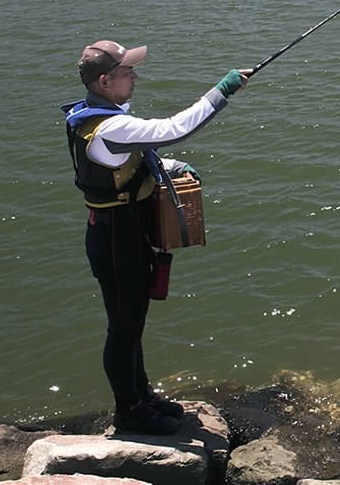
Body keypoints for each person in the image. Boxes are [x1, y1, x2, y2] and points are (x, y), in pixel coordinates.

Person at [61, 40, 254, 436]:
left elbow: (126, 158)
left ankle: (141, 394)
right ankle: (129, 411)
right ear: (103, 81)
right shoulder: (110, 125)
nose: (135, 76)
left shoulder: (96, 117)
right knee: (124, 327)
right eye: (126, 72)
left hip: (121, 231)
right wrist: (224, 88)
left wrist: (169, 165)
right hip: (116, 238)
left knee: (133, 321)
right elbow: (174, 128)